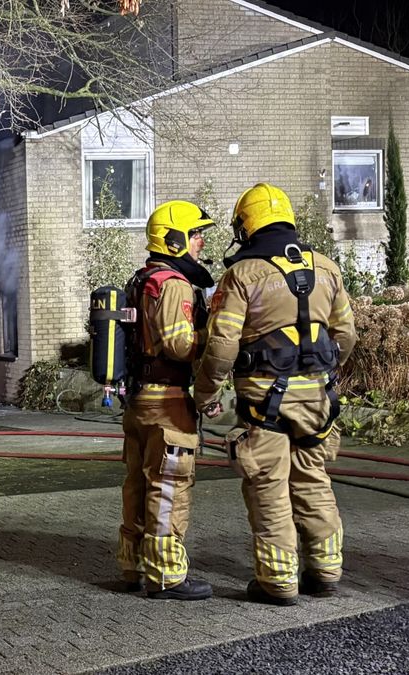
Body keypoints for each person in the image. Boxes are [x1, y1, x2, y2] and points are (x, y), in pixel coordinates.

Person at [193, 183, 357, 606]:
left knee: (268, 486)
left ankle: (278, 580)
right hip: (318, 400)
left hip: (264, 401)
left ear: (245, 227)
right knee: (314, 480)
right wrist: (320, 372)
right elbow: (345, 336)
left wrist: (205, 393)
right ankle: (325, 570)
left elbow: (222, 346)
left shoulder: (242, 275)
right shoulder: (327, 268)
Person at [116, 200, 216, 601]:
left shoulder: (142, 280)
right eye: (195, 234)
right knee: (168, 486)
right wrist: (213, 336)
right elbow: (178, 345)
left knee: (137, 484)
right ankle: (167, 575)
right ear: (174, 240)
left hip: (140, 399)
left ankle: (133, 565)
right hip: (168, 404)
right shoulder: (173, 284)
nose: (201, 242)